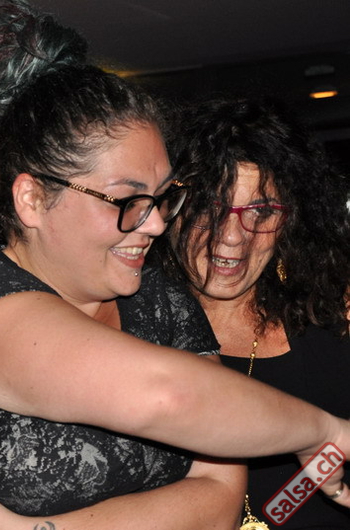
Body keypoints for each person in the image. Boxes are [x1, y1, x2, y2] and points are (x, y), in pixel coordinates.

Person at [0, 1, 350, 529]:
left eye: (162, 198)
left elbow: (218, 498)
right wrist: (325, 431)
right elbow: (165, 396)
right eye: (127, 200)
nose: (156, 223)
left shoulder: (163, 304)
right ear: (32, 199)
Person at [154, 96, 350, 528]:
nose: (232, 237)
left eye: (261, 211)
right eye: (210, 207)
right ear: (170, 210)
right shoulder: (125, 334)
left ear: (292, 220)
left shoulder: (334, 326)